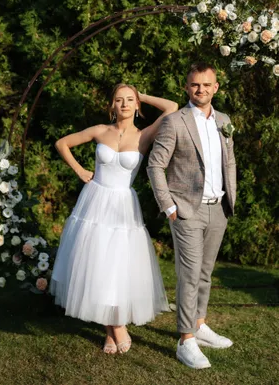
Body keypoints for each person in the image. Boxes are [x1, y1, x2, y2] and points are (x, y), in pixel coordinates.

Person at [50, 83, 178, 354]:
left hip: (122, 206)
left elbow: (171, 108)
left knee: (117, 264)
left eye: (130, 100)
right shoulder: (100, 131)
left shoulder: (145, 135)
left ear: (137, 105)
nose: (124, 104)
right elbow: (62, 143)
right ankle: (115, 327)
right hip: (95, 203)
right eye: (119, 100)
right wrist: (80, 170)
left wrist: (141, 94)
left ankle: (113, 327)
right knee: (97, 263)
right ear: (111, 105)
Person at [147, 62, 236, 369]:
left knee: (205, 273)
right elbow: (155, 165)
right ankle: (185, 339)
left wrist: (231, 196)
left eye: (206, 84)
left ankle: (199, 324)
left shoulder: (224, 121)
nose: (201, 90)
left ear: (216, 87)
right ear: (187, 88)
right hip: (186, 210)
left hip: (218, 207)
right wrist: (168, 205)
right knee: (189, 274)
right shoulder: (175, 121)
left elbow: (230, 162)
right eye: (195, 85)